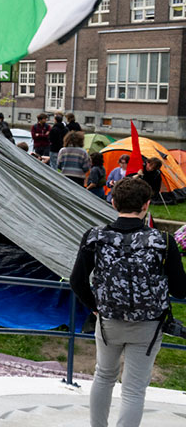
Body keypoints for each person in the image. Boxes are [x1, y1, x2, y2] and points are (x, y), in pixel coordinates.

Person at [70, 177, 186, 427]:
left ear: (113, 202)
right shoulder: (163, 242)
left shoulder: (94, 237)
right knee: (134, 389)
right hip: (149, 325)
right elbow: (180, 289)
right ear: (146, 205)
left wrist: (95, 306)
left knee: (103, 376)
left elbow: (77, 281)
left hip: (108, 321)